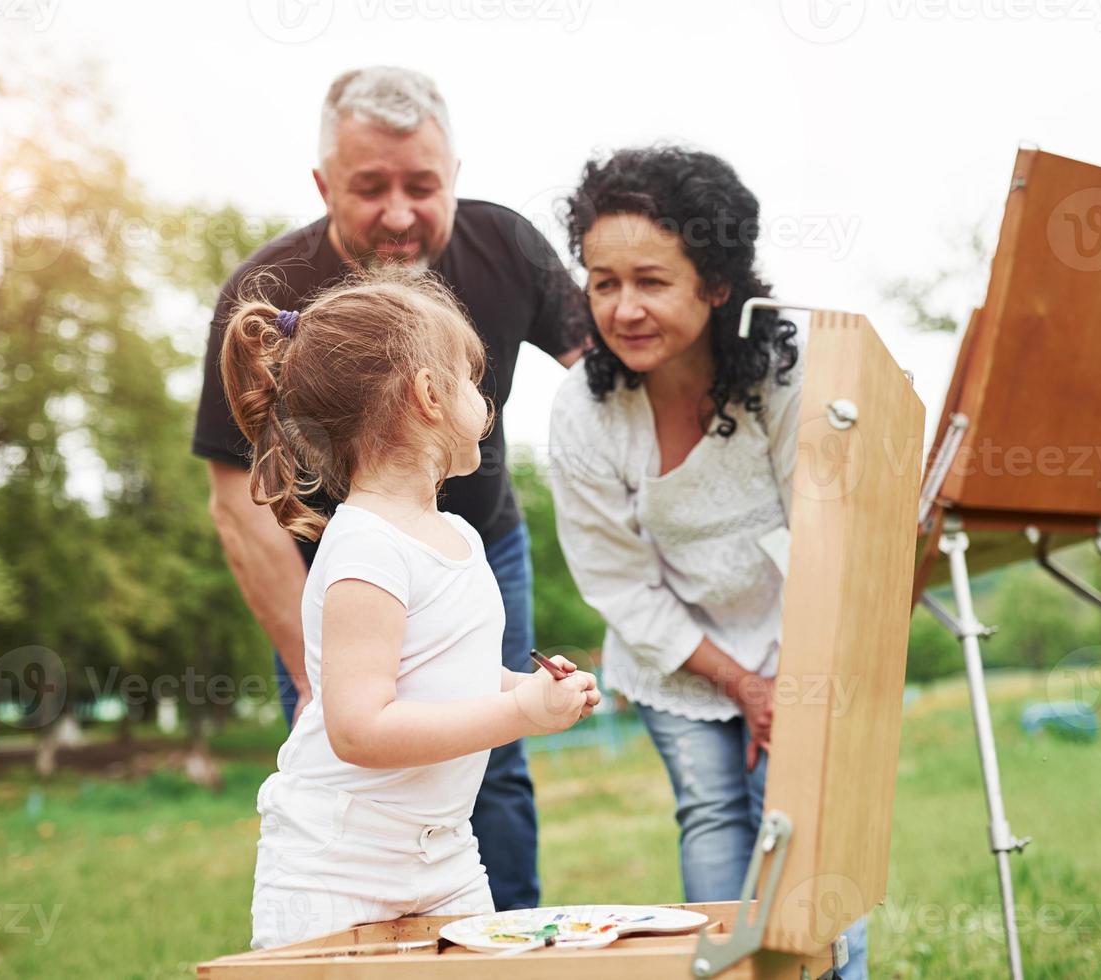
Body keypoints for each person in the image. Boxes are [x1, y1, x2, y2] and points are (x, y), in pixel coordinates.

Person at [193, 66, 585, 911]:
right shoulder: (270, 292)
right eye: (372, 188)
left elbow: (604, 367)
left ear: (455, 175)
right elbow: (236, 504)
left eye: (424, 185)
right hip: (331, 574)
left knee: (492, 773)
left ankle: (500, 944)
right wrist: (319, 671)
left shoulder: (507, 248)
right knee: (361, 744)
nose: (401, 213)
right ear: (324, 183)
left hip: (465, 538)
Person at [223, 268, 601, 949]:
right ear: (429, 395)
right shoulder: (365, 549)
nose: (482, 400)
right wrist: (517, 714)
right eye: (468, 380)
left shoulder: (457, 535)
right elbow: (360, 729)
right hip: (335, 873)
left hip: (446, 859)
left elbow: (458, 674)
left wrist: (533, 688)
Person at [547, 145, 802, 903]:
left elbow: (830, 543)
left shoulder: (786, 378)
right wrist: (740, 684)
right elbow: (618, 583)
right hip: (675, 651)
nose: (625, 309)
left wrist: (789, 683)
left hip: (798, 633)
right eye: (604, 283)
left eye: (652, 282)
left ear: (716, 283)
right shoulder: (583, 411)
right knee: (713, 814)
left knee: (796, 816)